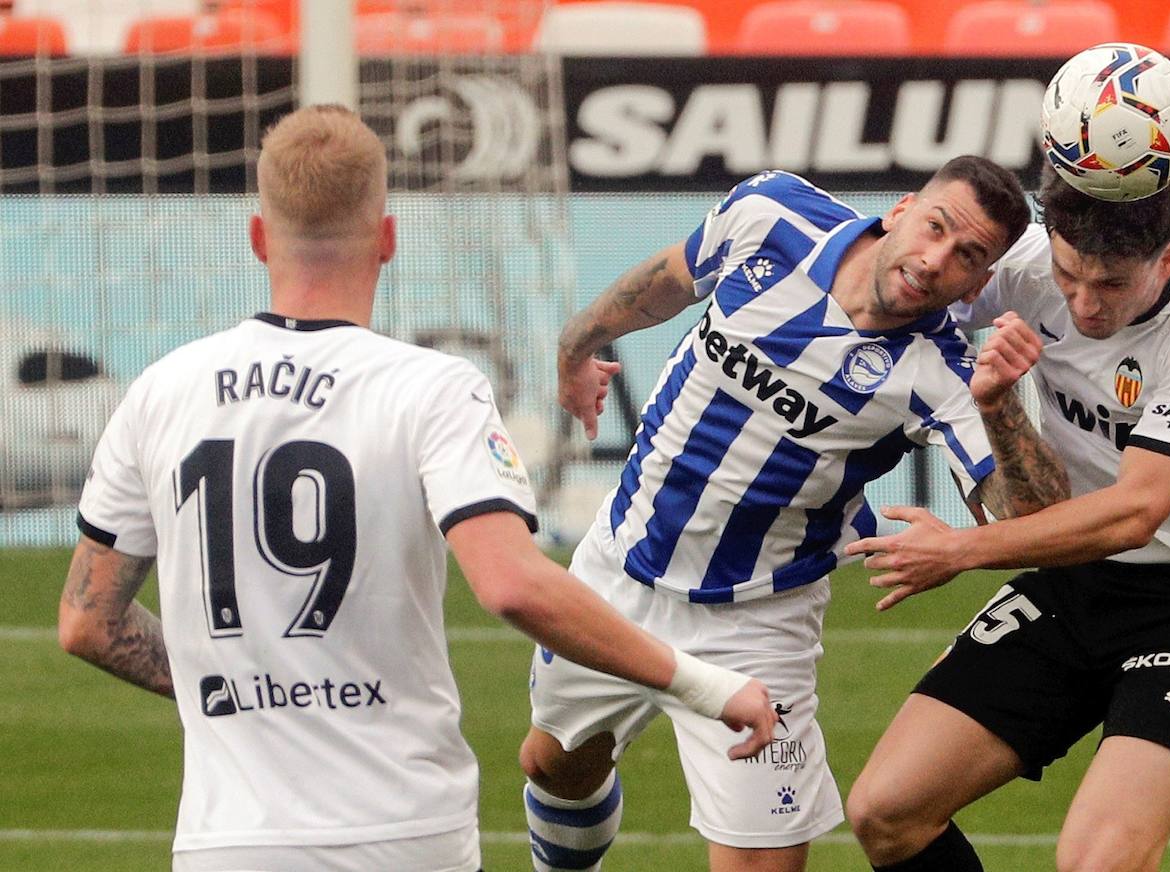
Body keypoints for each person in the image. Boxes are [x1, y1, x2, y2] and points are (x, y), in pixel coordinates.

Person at [57, 104, 778, 872]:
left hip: (226, 843)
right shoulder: (430, 389)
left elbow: (86, 623)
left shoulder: (162, 391)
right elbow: (511, 584)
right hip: (401, 831)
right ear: (390, 239)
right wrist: (704, 684)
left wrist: (239, 692)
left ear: (258, 237)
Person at [519, 160, 1070, 872]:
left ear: (980, 284)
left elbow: (1038, 519)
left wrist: (1000, 409)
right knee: (554, 767)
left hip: (757, 624)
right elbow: (668, 279)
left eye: (969, 257)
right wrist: (576, 344)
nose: (936, 262)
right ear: (902, 209)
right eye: (936, 227)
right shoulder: (773, 214)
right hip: (617, 567)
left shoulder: (946, 373)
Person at [843, 168, 1170, 872]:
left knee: (1094, 863)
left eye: (1110, 286)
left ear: (1165, 260)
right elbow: (889, 292)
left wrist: (961, 551)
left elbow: (1134, 513)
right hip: (1072, 581)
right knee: (885, 812)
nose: (1082, 304)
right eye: (1069, 277)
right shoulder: (1025, 265)